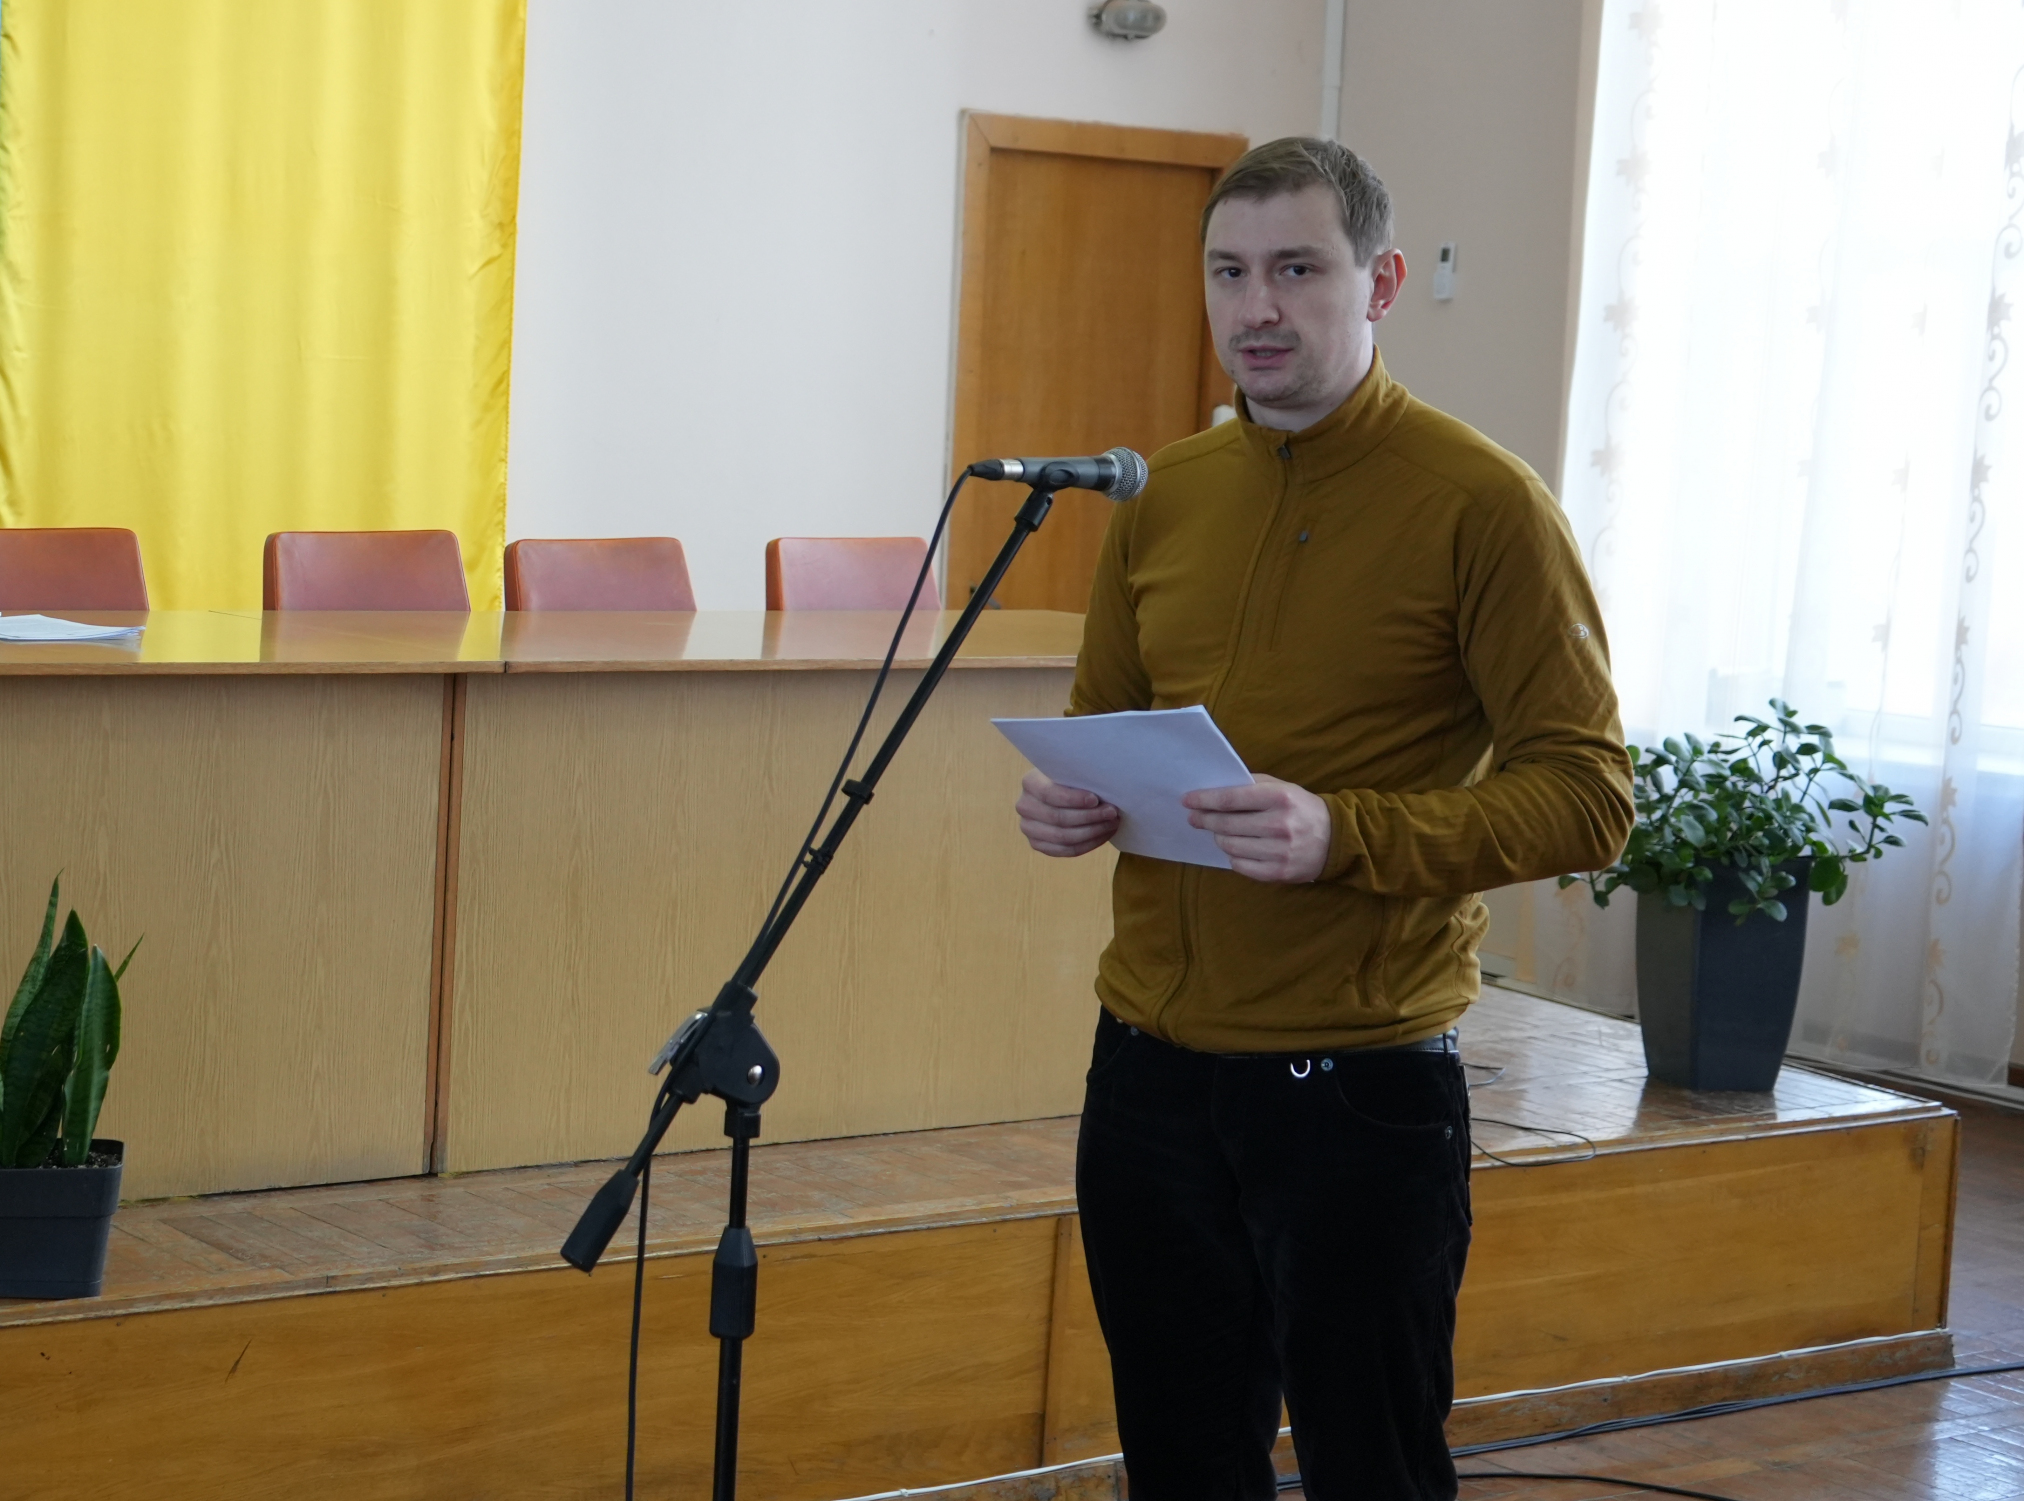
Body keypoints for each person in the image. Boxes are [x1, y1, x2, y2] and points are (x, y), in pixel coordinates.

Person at [1014, 138, 1635, 1501]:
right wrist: (1069, 798)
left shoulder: (1483, 505)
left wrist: (1343, 834)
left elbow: (1591, 795)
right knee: (1180, 1462)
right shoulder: (1163, 493)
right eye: (1229, 272)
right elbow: (1109, 724)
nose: (1258, 307)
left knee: (1374, 1468)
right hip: (1148, 1072)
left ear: (1382, 282)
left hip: (1355, 1084)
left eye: (1298, 269)